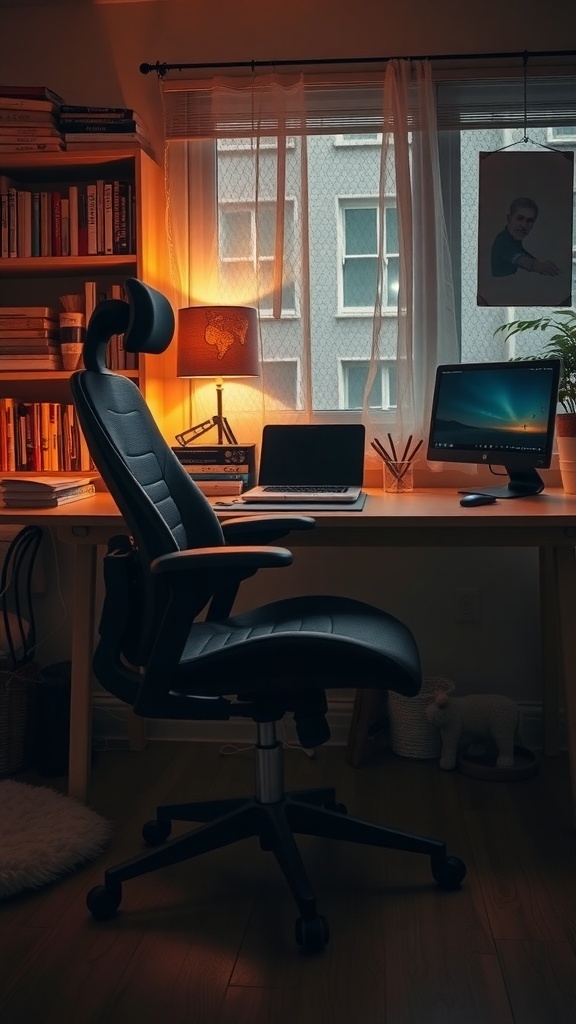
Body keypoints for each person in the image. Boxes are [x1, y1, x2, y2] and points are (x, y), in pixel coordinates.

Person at [491, 197, 560, 278]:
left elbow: (523, 255)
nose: (524, 225)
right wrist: (540, 266)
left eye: (529, 221)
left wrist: (541, 265)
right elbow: (521, 259)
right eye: (520, 219)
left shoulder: (514, 241)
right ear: (509, 219)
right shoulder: (502, 241)